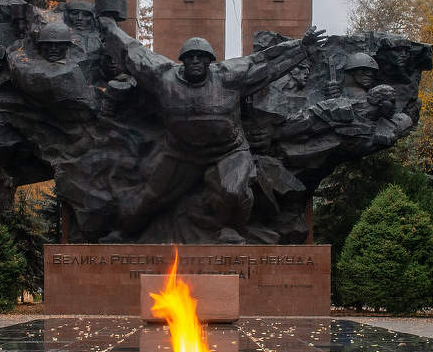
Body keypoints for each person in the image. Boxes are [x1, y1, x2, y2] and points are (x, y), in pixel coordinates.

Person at [100, 18, 326, 240]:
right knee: (150, 195)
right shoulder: (164, 77)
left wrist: (301, 49)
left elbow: (265, 63)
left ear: (210, 61)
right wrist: (110, 26)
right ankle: (125, 230)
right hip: (182, 152)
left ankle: (230, 227)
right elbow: (134, 51)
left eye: (201, 57)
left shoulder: (229, 76)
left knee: (233, 190)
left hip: (228, 151)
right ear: (183, 60)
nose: (196, 60)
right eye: (190, 57)